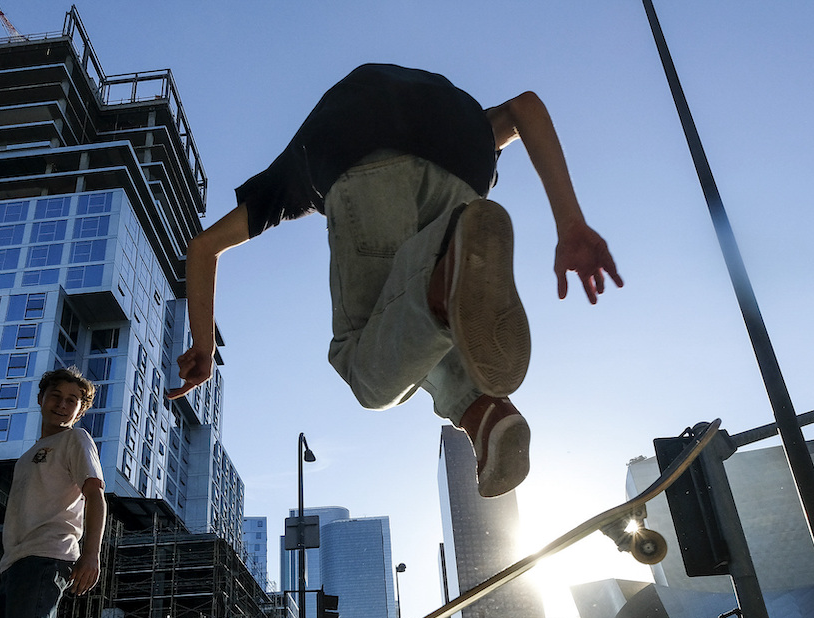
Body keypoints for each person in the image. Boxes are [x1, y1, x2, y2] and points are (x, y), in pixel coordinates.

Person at [168, 64, 622, 497]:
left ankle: (445, 288)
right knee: (413, 316)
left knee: (369, 367)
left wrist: (205, 347)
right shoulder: (456, 117)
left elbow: (204, 247)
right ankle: (483, 409)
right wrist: (570, 224)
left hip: (351, 144)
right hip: (465, 158)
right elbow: (526, 106)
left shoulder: (296, 171)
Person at [0, 367, 142, 618]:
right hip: (14, 563)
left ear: (80, 411)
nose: (62, 404)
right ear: (41, 399)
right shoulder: (27, 456)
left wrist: (91, 555)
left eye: (73, 400)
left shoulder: (76, 440)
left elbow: (96, 496)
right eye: (56, 396)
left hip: (47, 555)